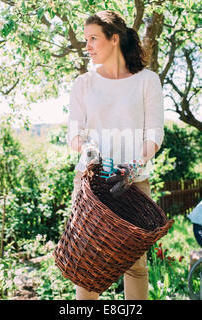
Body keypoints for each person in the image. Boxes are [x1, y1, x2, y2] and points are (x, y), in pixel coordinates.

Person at [67, 10, 164, 300]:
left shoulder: (148, 80)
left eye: (93, 38)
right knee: (88, 261)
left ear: (114, 39)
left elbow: (154, 134)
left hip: (133, 183)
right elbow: (74, 133)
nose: (88, 46)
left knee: (135, 266)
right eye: (86, 40)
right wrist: (88, 149)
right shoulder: (83, 83)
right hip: (90, 183)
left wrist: (134, 166)